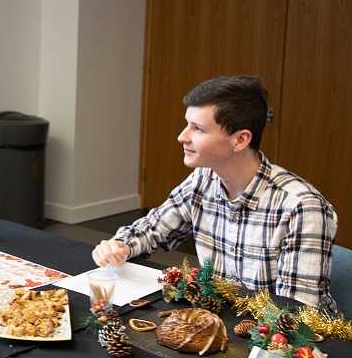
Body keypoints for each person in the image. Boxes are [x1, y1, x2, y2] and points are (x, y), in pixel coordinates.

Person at [92, 76, 338, 312]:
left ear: (240, 140)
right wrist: (119, 246)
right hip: (222, 317)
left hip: (274, 335)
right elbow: (152, 230)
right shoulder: (203, 179)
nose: (182, 137)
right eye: (187, 124)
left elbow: (297, 316)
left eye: (198, 129)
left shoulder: (301, 207)